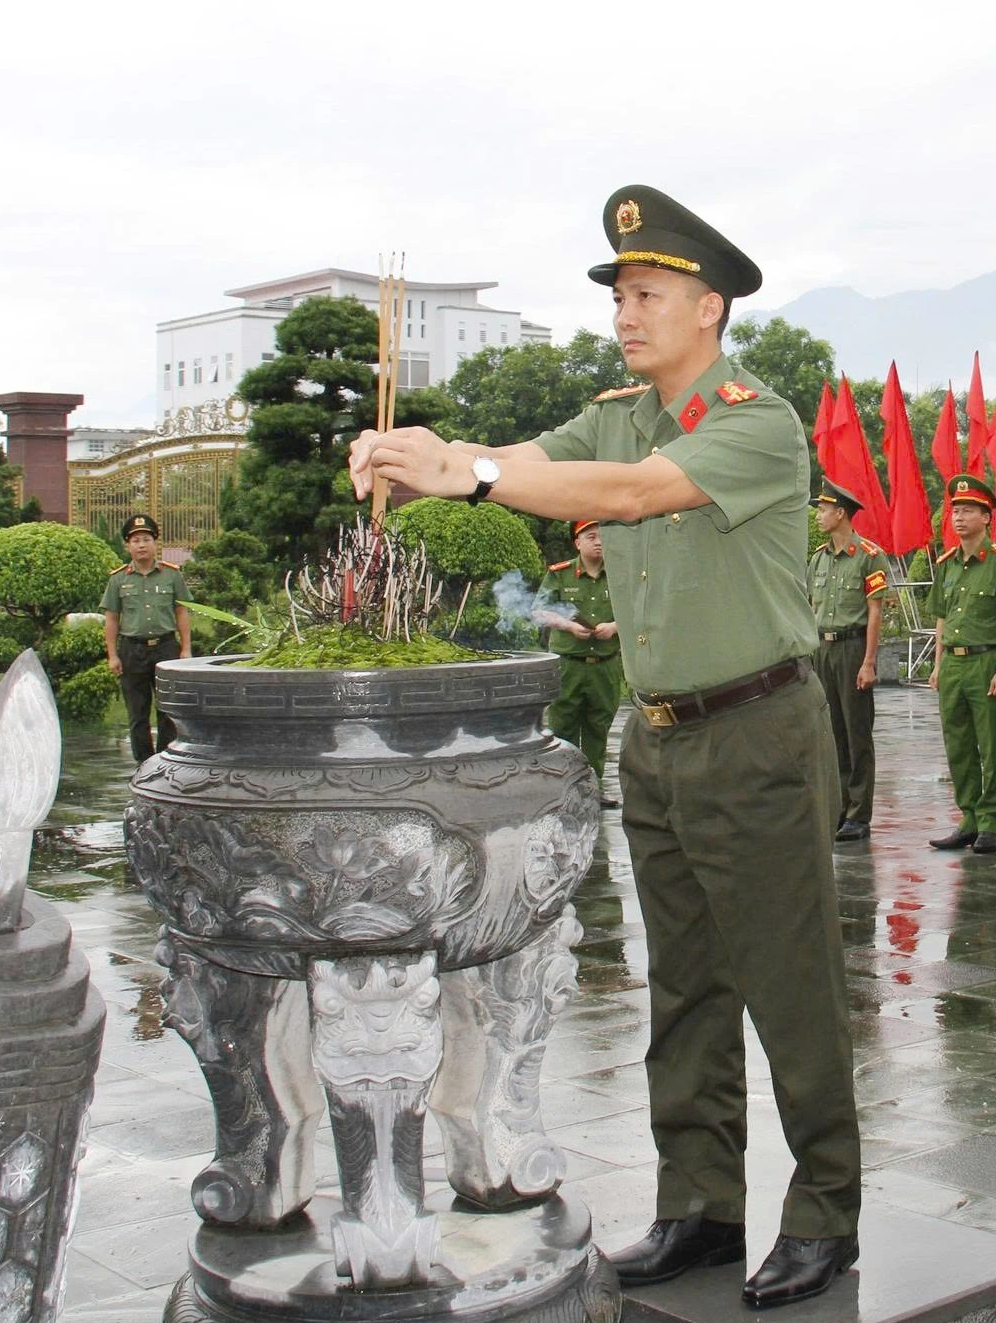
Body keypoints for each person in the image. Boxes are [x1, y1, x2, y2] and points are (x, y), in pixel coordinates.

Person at [346, 186, 859, 1306]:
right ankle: (701, 1208)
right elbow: (526, 460)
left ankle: (826, 1210)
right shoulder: (616, 411)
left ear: (709, 308)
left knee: (789, 981)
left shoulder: (754, 421)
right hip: (661, 735)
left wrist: (463, 470)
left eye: (648, 294)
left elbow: (628, 496)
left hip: (760, 730)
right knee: (682, 984)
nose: (626, 313)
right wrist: (419, 448)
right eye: (620, 294)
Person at [927, 474, 996, 856]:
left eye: (968, 511)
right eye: (955, 511)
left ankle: (992, 821)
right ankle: (968, 816)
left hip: (987, 660)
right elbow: (942, 618)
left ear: (987, 517)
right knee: (959, 745)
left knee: (991, 746)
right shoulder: (948, 563)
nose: (959, 518)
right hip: (953, 662)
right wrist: (936, 665)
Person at [810, 482, 888, 843]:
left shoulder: (868, 556)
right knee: (832, 733)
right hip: (823, 650)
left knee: (857, 734)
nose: (818, 515)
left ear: (841, 512)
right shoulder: (819, 558)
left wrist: (869, 661)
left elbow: (875, 613)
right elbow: (811, 607)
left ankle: (859, 813)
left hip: (852, 648)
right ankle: (840, 806)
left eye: (823, 509)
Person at [537, 520, 624, 804]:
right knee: (563, 728)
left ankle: (592, 790)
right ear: (578, 542)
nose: (599, 542)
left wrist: (614, 626)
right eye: (591, 536)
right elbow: (539, 612)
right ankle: (561, 791)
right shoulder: (560, 574)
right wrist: (567, 625)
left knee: (599, 729)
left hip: (605, 665)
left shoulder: (621, 575)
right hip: (569, 665)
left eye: (603, 537)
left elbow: (639, 610)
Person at [102, 513, 191, 762]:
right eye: (136, 540)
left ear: (155, 543)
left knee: (167, 711)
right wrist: (112, 655)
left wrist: (186, 649)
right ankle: (143, 765)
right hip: (132, 650)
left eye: (146, 539)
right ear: (128, 546)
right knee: (137, 713)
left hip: (165, 648)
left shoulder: (171, 575)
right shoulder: (118, 579)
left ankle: (165, 762)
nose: (141, 545)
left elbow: (182, 611)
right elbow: (111, 618)